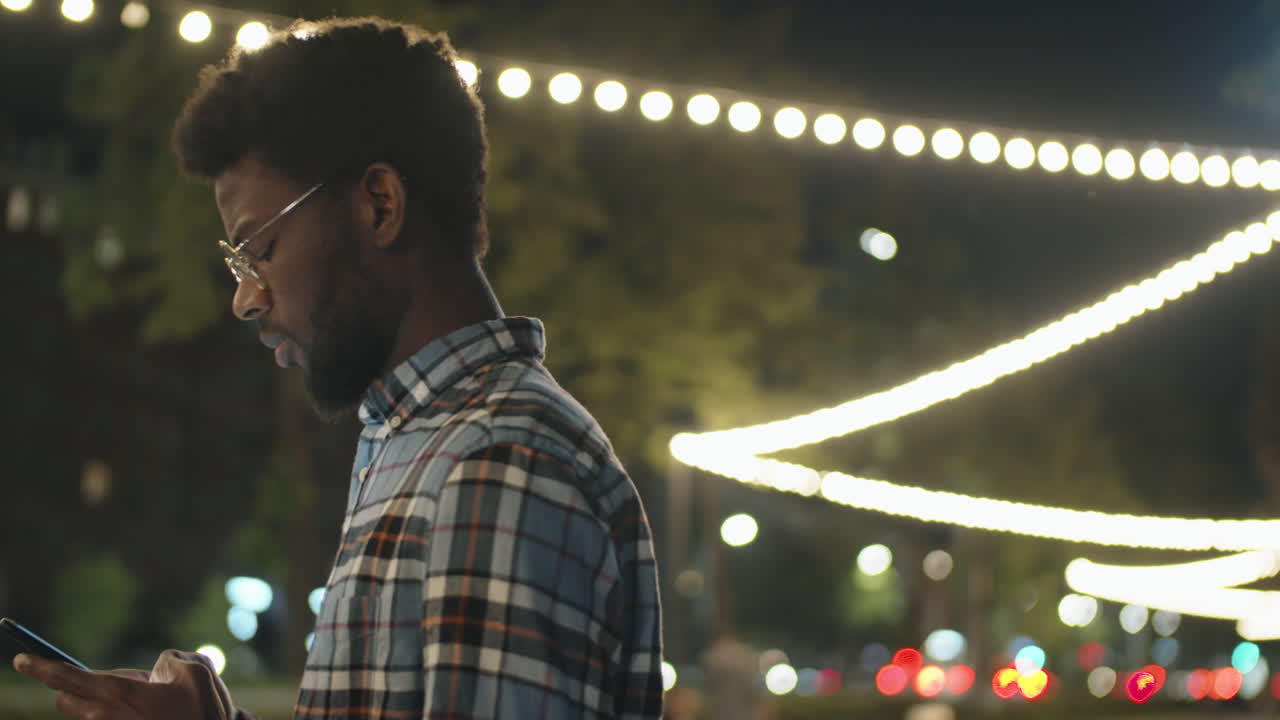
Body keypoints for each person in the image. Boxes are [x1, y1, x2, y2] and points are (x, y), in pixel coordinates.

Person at [15, 16, 664, 720]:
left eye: (257, 248)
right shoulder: (419, 442)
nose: (244, 297)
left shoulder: (496, 461)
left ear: (379, 205)